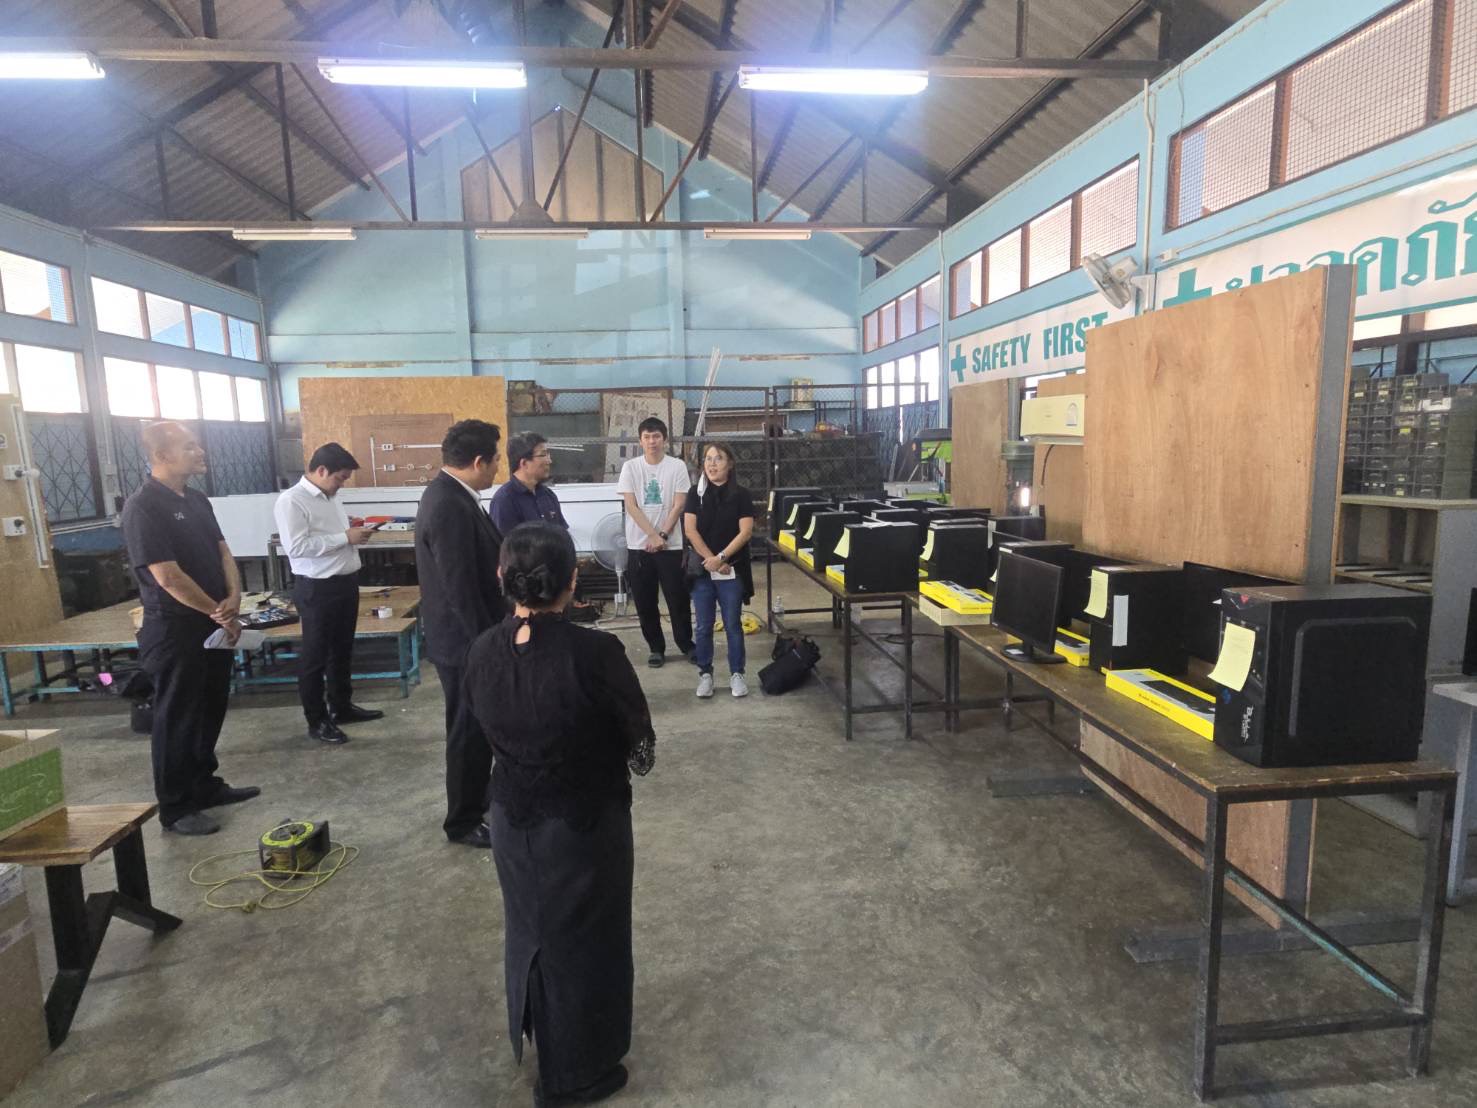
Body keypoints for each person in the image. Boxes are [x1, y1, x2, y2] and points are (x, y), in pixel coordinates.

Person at [459, 522, 654, 1108]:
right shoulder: (595, 653)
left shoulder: (482, 649)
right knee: (586, 943)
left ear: (502, 577)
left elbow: (479, 730)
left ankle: (545, 1043)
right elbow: (639, 746)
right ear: (573, 580)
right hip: (583, 823)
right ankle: (573, 1076)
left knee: (531, 933)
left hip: (512, 819)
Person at [122, 422, 259, 835]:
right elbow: (167, 576)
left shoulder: (197, 499)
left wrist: (234, 597)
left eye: (197, 444)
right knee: (177, 715)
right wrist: (217, 611)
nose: (200, 452)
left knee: (211, 705)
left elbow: (223, 552)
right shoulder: (144, 507)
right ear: (162, 456)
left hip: (215, 621)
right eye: (189, 446)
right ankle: (176, 806)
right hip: (175, 629)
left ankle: (204, 785)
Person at [414, 419, 505, 849]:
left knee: (478, 728)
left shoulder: (456, 496)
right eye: (496, 460)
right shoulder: (449, 504)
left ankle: (479, 798)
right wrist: (486, 645)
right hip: (463, 643)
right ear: (478, 461)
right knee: (467, 732)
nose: (499, 468)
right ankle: (463, 820)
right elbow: (460, 588)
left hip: (467, 638)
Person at [273, 442, 383, 745]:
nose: (342, 484)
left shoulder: (331, 496)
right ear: (321, 470)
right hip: (317, 588)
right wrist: (344, 537)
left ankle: (341, 707)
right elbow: (296, 547)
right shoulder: (291, 501)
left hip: (345, 583)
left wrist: (352, 533)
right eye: (340, 478)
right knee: (315, 656)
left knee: (342, 651)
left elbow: (330, 535)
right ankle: (317, 720)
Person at [616, 417, 693, 668]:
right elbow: (631, 505)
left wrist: (662, 536)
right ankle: (656, 648)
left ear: (665, 439)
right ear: (640, 441)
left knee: (677, 599)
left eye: (657, 436)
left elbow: (679, 504)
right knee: (644, 601)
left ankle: (686, 644)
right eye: (647, 437)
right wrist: (651, 535)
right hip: (639, 547)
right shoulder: (630, 467)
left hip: (670, 547)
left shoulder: (677, 466)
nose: (652, 441)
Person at [682, 442, 756, 699]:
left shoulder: (741, 495)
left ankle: (737, 674)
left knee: (732, 624)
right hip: (703, 571)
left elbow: (745, 532)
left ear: (730, 464)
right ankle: (705, 674)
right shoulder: (695, 494)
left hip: (731, 570)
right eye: (708, 459)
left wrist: (722, 557)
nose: (712, 464)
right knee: (703, 626)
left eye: (718, 458)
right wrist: (711, 560)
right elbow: (690, 530)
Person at [489, 432, 567, 534]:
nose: (549, 461)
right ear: (524, 463)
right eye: (543, 455)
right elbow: (503, 542)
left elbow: (562, 535)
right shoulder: (505, 500)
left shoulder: (548, 495)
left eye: (548, 454)